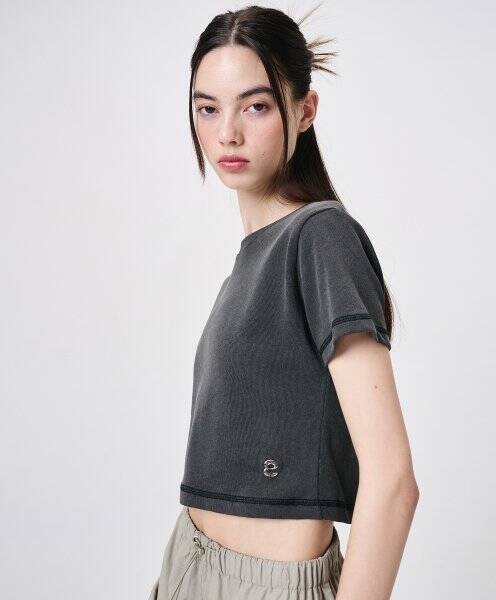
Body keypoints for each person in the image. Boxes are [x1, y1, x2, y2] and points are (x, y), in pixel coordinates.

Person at [148, 4, 419, 599]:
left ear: (304, 110)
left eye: (256, 106)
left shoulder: (319, 236)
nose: (228, 133)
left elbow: (393, 482)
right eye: (207, 108)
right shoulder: (253, 258)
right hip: (188, 564)